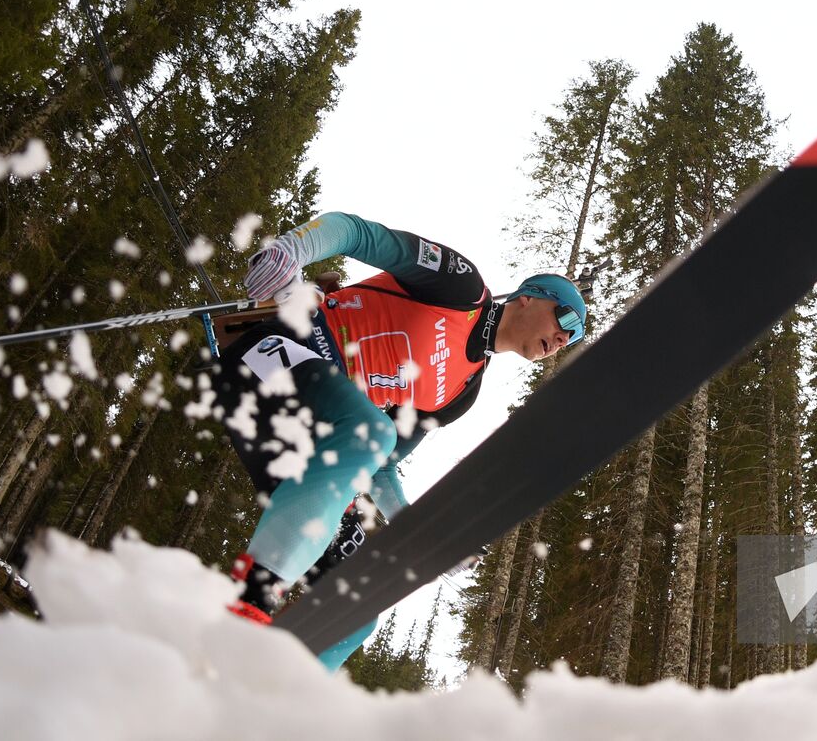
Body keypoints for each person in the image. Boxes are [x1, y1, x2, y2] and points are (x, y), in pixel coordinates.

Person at [210, 211, 586, 668]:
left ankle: (260, 700)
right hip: (270, 356)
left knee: (355, 609)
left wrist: (418, 535)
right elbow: (356, 233)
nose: (563, 337)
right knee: (369, 431)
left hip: (306, 436)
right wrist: (290, 251)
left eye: (574, 337)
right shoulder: (462, 288)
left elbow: (382, 464)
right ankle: (250, 604)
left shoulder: (460, 394)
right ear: (528, 299)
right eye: (564, 318)